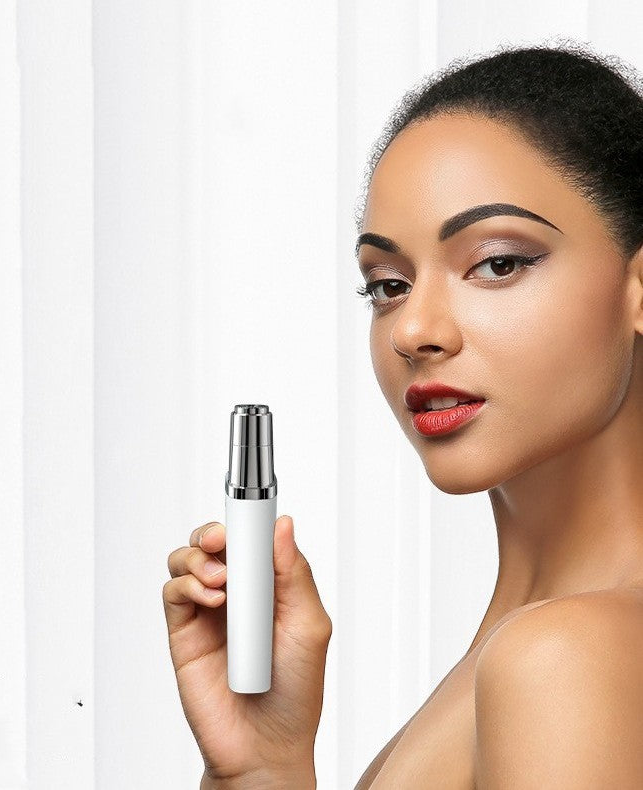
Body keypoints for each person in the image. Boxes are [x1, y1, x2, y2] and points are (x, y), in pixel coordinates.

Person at [163, 41, 643, 789]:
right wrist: (261, 765)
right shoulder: (528, 647)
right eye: (387, 284)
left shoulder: (564, 657)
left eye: (499, 263)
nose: (415, 330)